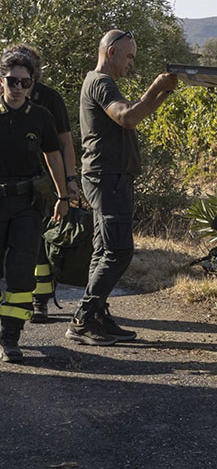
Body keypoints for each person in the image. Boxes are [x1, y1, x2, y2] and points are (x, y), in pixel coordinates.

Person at [66, 30, 178, 346]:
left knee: (103, 249)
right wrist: (155, 87)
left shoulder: (101, 82)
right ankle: (84, 319)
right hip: (107, 176)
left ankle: (98, 315)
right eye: (129, 56)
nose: (131, 63)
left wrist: (162, 93)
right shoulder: (101, 83)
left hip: (110, 176)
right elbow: (127, 118)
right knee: (119, 250)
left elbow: (133, 117)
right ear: (112, 51)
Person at [1, 44, 80, 323]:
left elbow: (59, 149)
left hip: (33, 195)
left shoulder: (46, 106)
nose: (19, 86)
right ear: (3, 79)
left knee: (31, 257)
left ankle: (26, 317)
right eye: (13, 80)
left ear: (35, 78)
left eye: (25, 81)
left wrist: (66, 189)